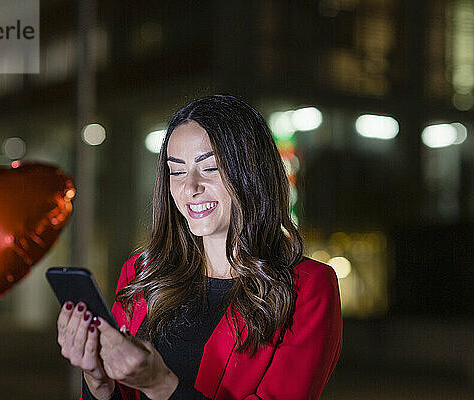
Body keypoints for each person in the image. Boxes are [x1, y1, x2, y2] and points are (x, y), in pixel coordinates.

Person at [57, 94, 342, 400]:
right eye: (176, 171)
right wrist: (98, 380)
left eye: (210, 168)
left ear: (251, 172)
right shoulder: (142, 274)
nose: (190, 187)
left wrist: (160, 384)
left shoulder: (307, 288)